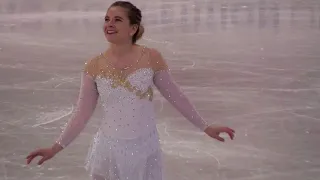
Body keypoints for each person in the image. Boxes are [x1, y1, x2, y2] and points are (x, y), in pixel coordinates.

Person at [26, 1, 235, 180]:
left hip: (144, 149)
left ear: (133, 28)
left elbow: (175, 96)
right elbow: (82, 113)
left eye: (117, 20)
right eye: (107, 19)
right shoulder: (94, 65)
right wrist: (56, 147)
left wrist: (205, 127)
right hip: (108, 149)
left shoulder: (151, 57)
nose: (109, 24)